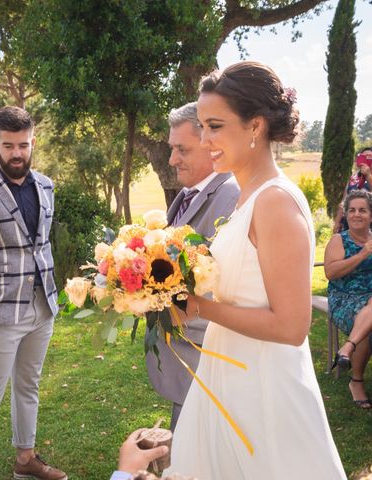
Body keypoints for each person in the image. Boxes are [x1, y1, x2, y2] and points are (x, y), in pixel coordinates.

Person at [163, 61, 346, 479]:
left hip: (264, 386)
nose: (205, 139)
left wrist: (200, 308)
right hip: (229, 367)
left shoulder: (275, 201)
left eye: (214, 126)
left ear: (254, 127)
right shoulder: (248, 197)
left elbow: (291, 326)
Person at [0, 106, 66, 480]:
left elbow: (41, 244)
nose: (17, 153)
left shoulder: (46, 185)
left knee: (29, 385)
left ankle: (25, 459)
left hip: (43, 305)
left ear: (32, 141)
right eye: (8, 146)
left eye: (23, 145)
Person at [145, 102, 239, 430]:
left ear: (210, 146)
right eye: (172, 149)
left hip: (205, 353)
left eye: (180, 149)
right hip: (186, 353)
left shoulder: (230, 196)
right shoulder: (189, 194)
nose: (172, 160)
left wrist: (151, 291)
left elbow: (215, 276)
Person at [325, 189, 372, 409]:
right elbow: (331, 272)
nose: (357, 214)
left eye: (363, 210)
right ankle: (357, 382)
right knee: (364, 325)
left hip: (369, 299)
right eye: (352, 210)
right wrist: (362, 255)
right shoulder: (339, 240)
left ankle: (347, 349)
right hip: (344, 299)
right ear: (346, 215)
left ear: (370, 215)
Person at [333, 147, 372, 233]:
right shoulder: (353, 178)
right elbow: (344, 201)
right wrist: (337, 222)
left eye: (370, 157)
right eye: (364, 157)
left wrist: (368, 175)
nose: (367, 160)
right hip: (350, 223)